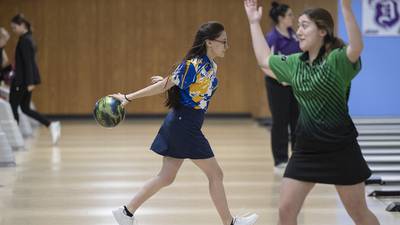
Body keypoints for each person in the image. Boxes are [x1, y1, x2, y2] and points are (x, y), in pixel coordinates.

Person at [244, 0, 380, 224]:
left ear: (323, 31)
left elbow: (356, 47)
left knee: (359, 213)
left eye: (305, 26)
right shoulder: (295, 63)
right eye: (298, 25)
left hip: (341, 149)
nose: (298, 31)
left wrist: (346, 7)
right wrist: (253, 22)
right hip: (306, 148)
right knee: (286, 210)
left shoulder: (337, 61)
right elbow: (264, 59)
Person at [110, 21, 259, 225]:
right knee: (215, 174)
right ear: (209, 42)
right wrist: (128, 97)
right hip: (184, 125)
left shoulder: (209, 65)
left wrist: (168, 80)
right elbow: (165, 86)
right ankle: (230, 223)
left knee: (166, 177)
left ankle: (125, 212)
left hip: (184, 124)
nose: (227, 46)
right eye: (223, 42)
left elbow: (183, 85)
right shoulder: (194, 64)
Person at [10, 14, 61, 144]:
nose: (13, 30)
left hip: (22, 81)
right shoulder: (27, 38)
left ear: (22, 25)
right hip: (25, 80)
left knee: (13, 107)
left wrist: (30, 82)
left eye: (15, 27)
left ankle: (15, 138)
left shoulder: (25, 41)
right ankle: (51, 125)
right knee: (25, 108)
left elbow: (28, 62)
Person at [264, 1, 300, 173]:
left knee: (297, 120)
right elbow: (265, 65)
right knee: (280, 121)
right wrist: (281, 78)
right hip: (277, 85)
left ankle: (298, 157)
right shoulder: (272, 38)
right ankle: (280, 160)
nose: (293, 18)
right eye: (290, 15)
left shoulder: (294, 35)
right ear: (280, 18)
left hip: (294, 83)